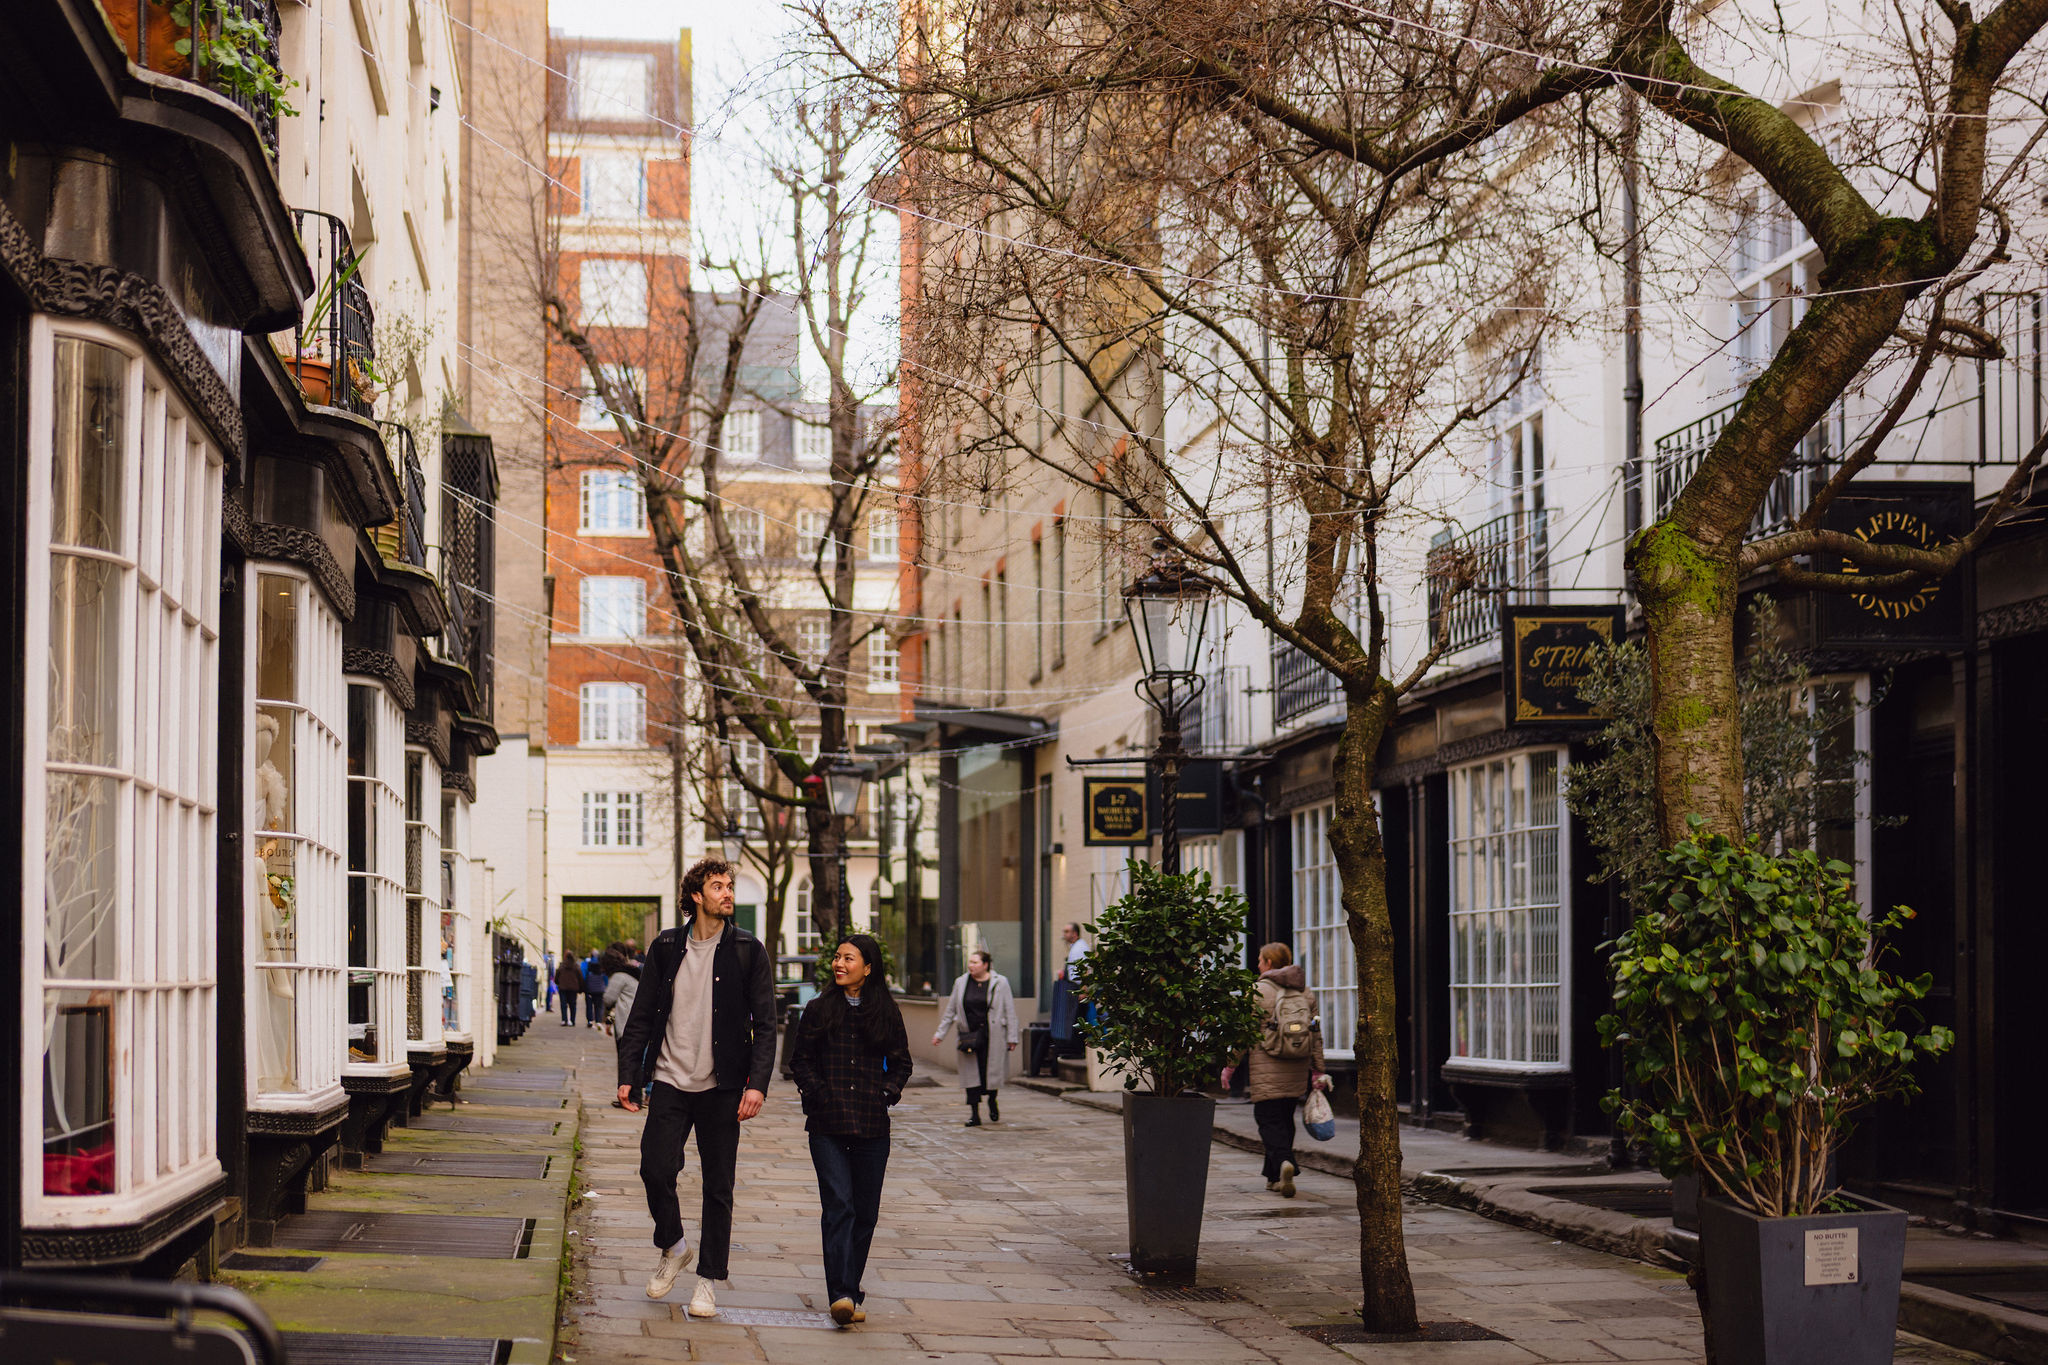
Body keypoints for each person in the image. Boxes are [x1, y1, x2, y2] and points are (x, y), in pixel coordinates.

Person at [616, 859, 776, 1321]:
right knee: (654, 1168)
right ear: (696, 896)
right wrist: (630, 1074)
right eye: (718, 886)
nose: (727, 893)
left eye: (729, 886)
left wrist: (757, 1085)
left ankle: (707, 1281)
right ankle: (674, 1246)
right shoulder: (666, 947)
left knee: (717, 1185)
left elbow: (766, 1025)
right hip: (669, 1079)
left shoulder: (748, 949)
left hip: (723, 1086)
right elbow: (641, 1016)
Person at [788, 935, 912, 1327]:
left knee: (865, 1214)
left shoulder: (887, 1012)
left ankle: (851, 1290)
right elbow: (800, 1061)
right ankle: (840, 1294)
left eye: (848, 958)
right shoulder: (818, 1009)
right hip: (827, 1125)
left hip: (873, 1127)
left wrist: (886, 1095)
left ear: (868, 967)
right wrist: (820, 1096)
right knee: (839, 1206)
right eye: (837, 958)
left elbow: (902, 1063)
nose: (839, 964)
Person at [1221, 943, 1326, 1198]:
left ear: (1269, 962)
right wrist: (1318, 1070)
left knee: (1267, 1120)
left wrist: (1230, 1065)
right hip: (1297, 1065)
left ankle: (1285, 1163)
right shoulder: (1305, 992)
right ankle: (1274, 1178)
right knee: (1285, 1118)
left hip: (1266, 1066)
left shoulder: (1258, 991)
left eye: (1259, 960)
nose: (1257, 964)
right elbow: (1316, 1034)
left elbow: (1243, 1034)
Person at [933, 950, 1021, 1126]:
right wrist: (940, 1034)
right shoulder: (961, 982)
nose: (970, 965)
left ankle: (992, 1100)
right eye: (970, 962)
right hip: (969, 1035)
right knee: (971, 1076)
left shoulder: (1000, 982)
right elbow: (950, 1011)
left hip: (993, 1035)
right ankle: (974, 1114)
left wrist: (1012, 1037)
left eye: (975, 962)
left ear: (985, 964)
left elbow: (1009, 1010)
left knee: (990, 1073)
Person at [1047, 922, 1089, 1064]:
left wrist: (1083, 990)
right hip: (1074, 988)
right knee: (1074, 1020)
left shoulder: (1080, 948)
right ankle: (1074, 1050)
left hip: (1078, 989)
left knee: (1077, 1020)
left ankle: (1078, 1050)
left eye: (1067, 931)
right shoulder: (1075, 948)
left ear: (1075, 934)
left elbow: (1084, 970)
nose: (1064, 935)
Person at [554, 953, 584, 1026]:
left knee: (563, 1004)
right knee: (572, 1005)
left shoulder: (562, 966)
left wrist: (558, 983)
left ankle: (564, 1020)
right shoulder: (576, 967)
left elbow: (556, 976)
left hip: (563, 987)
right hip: (573, 989)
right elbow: (580, 978)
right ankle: (572, 1020)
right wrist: (581, 988)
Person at [584, 952, 610, 1030]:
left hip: (590, 990)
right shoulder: (602, 969)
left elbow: (585, 977)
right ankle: (598, 1021)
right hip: (600, 990)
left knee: (589, 1006)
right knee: (599, 1006)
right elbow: (606, 980)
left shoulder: (588, 966)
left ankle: (590, 1021)